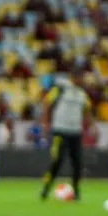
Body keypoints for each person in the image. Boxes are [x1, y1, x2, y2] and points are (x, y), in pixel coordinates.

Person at [40, 71, 92, 201]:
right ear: (73, 77)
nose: (81, 80)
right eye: (79, 77)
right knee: (58, 160)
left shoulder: (82, 94)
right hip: (60, 130)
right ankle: (46, 188)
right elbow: (47, 103)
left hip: (76, 132)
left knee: (77, 163)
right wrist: (46, 123)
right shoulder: (61, 89)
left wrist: (90, 125)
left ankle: (76, 191)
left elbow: (87, 110)